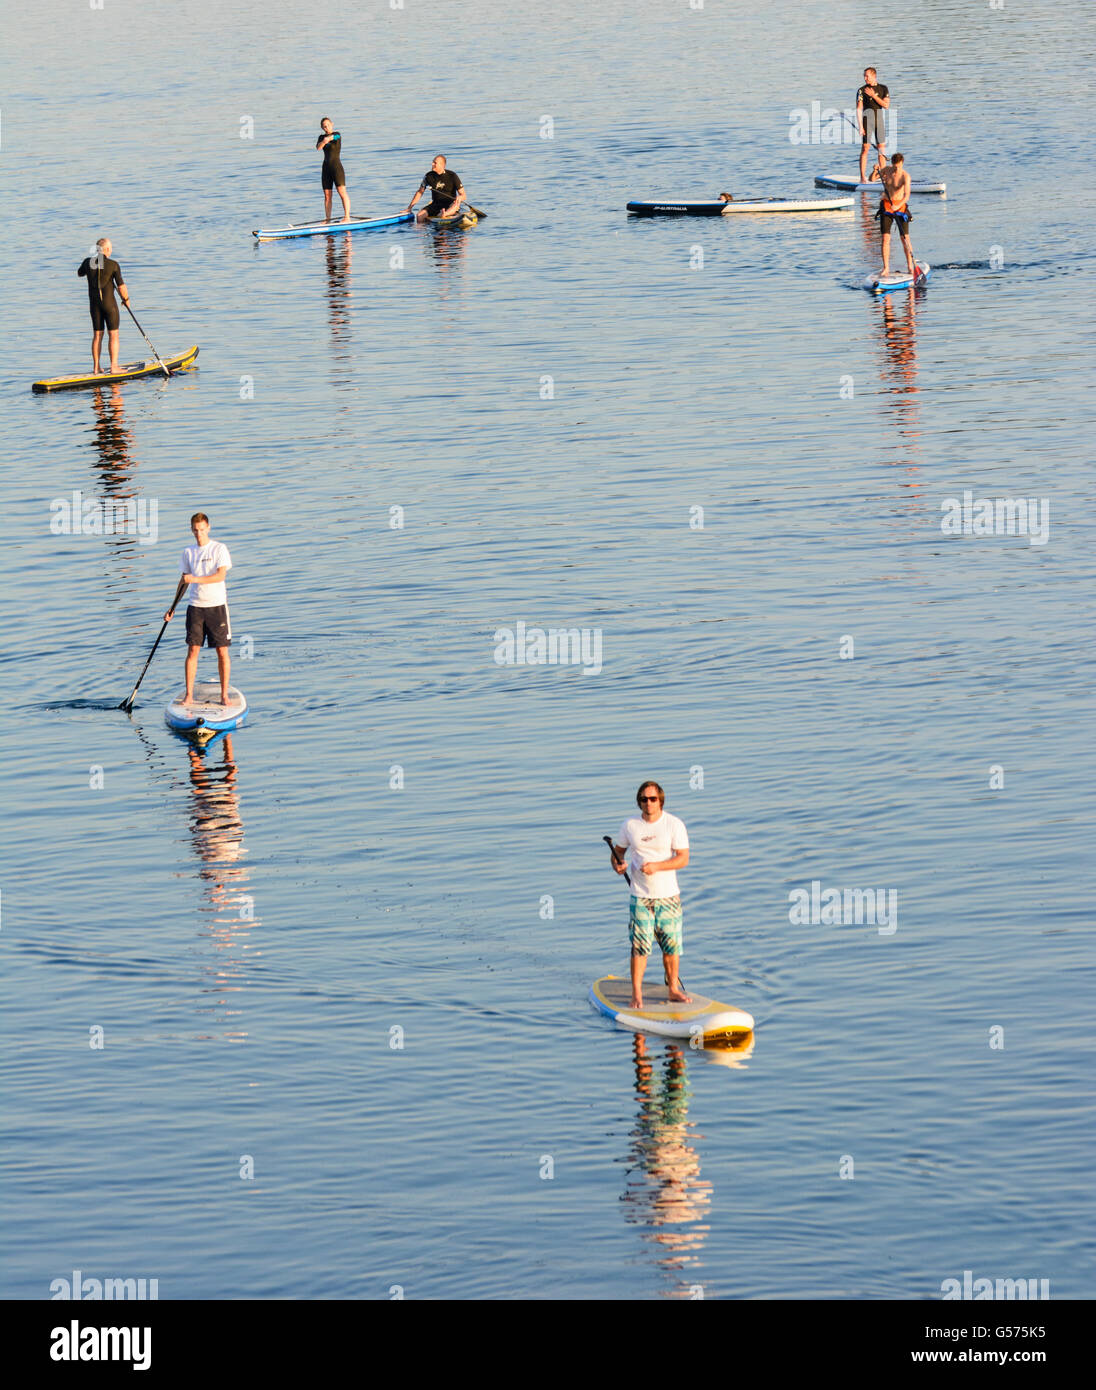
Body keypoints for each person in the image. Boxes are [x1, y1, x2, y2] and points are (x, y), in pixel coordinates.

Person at [612, 781, 691, 1009]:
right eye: (644, 799)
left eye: (652, 799)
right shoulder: (630, 825)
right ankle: (637, 995)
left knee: (671, 947)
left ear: (661, 801)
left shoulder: (673, 824)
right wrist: (617, 865)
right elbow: (618, 853)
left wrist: (657, 866)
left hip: (669, 896)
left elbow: (683, 859)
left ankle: (673, 990)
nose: (648, 803)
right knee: (639, 947)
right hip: (640, 896)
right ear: (639, 801)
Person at [164, 513, 235, 708]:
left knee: (222, 652)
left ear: (208, 528)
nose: (199, 534)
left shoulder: (219, 549)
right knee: (193, 650)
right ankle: (189, 695)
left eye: (202, 530)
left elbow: (220, 576)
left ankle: (224, 695)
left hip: (216, 606)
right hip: (195, 607)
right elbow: (183, 581)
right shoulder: (188, 552)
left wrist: (194, 579)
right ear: (191, 530)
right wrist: (172, 607)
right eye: (195, 530)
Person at [77, 238, 130, 375]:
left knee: (97, 335)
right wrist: (126, 299)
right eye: (110, 248)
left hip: (94, 305)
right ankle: (114, 367)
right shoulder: (113, 264)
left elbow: (79, 273)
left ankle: (96, 368)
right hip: (109, 305)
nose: (111, 250)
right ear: (106, 250)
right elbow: (121, 286)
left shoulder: (88, 262)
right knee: (113, 334)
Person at [871, 152, 918, 278]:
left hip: (900, 207)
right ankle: (886, 268)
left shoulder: (905, 176)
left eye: (898, 167)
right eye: (895, 166)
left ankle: (910, 266)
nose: (896, 169)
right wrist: (875, 171)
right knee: (885, 239)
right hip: (886, 206)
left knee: (905, 239)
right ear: (892, 164)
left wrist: (897, 206)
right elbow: (872, 179)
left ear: (902, 163)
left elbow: (907, 196)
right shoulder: (887, 170)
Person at [406, 155, 465, 223]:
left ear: (442, 165)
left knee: (455, 205)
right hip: (436, 204)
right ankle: (421, 232)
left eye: (435, 163)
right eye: (432, 162)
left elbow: (463, 195)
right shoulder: (428, 176)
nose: (432, 164)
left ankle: (445, 214)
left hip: (450, 203)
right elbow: (420, 192)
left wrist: (459, 198)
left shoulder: (452, 175)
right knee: (419, 215)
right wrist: (409, 208)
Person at [856, 67, 890, 182]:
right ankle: (862, 177)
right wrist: (860, 126)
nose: (865, 78)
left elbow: (886, 105)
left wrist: (874, 96)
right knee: (865, 149)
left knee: (881, 150)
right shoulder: (861, 90)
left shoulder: (883, 89)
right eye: (864, 76)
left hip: (879, 121)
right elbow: (859, 109)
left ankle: (884, 178)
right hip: (867, 121)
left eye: (867, 76)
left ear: (874, 76)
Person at [316, 118, 350, 221]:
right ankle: (327, 219)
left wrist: (329, 138)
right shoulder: (321, 137)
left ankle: (347, 217)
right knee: (327, 195)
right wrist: (324, 141)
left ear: (332, 124)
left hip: (336, 168)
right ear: (322, 128)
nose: (326, 127)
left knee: (341, 192)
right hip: (326, 169)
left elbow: (336, 136)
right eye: (324, 126)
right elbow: (318, 147)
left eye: (328, 125)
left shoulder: (337, 134)